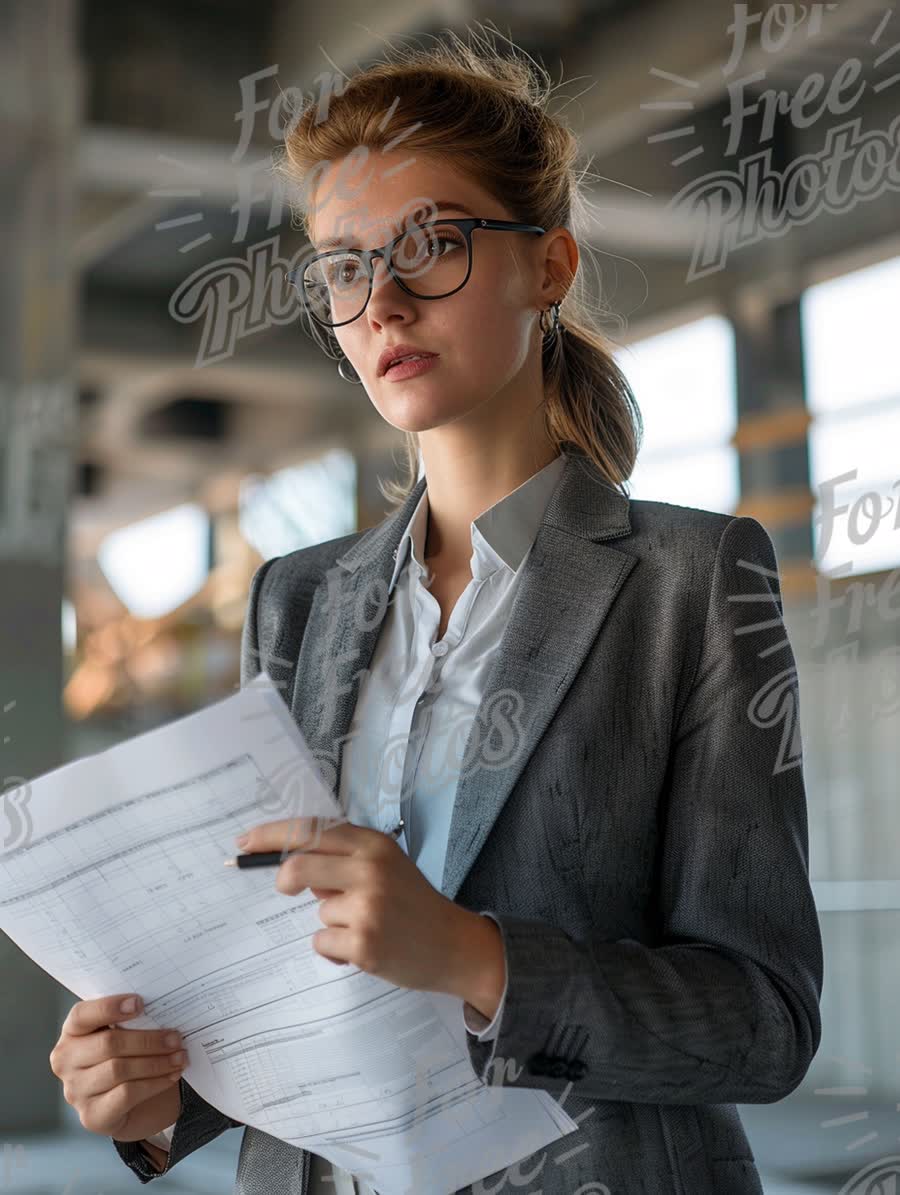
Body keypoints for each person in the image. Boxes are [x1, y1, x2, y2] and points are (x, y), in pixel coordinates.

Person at [49, 24, 823, 1195]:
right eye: (346, 266)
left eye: (436, 245)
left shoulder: (691, 577)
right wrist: (158, 1088)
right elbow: (287, 990)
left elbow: (764, 1020)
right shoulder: (296, 600)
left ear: (548, 266)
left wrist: (473, 957)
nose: (387, 302)